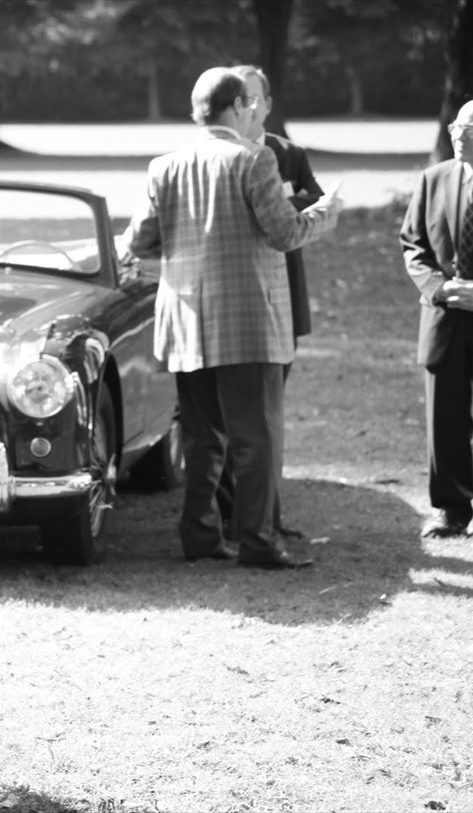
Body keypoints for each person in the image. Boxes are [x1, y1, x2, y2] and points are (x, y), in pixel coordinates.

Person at [123, 66, 341, 569]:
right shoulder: (254, 158)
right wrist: (325, 213)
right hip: (248, 320)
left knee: (201, 436)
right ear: (240, 106)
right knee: (255, 436)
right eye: (249, 105)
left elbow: (139, 242)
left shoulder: (164, 166)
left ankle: (200, 535)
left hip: (186, 321)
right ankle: (258, 541)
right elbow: (285, 233)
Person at [216, 64, 326, 543]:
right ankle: (232, 515)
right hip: (233, 301)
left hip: (282, 295)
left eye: (256, 97)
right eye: (242, 97)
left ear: (267, 104)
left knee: (269, 414)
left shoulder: (287, 152)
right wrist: (275, 206)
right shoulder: (218, 154)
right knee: (227, 418)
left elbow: (314, 199)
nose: (250, 105)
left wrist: (281, 205)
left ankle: (266, 513)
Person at [400, 98, 473, 542]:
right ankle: (450, 510)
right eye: (456, 127)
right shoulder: (434, 178)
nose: (458, 135)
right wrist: (438, 288)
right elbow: (413, 244)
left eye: (470, 130)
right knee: (445, 420)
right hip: (443, 319)